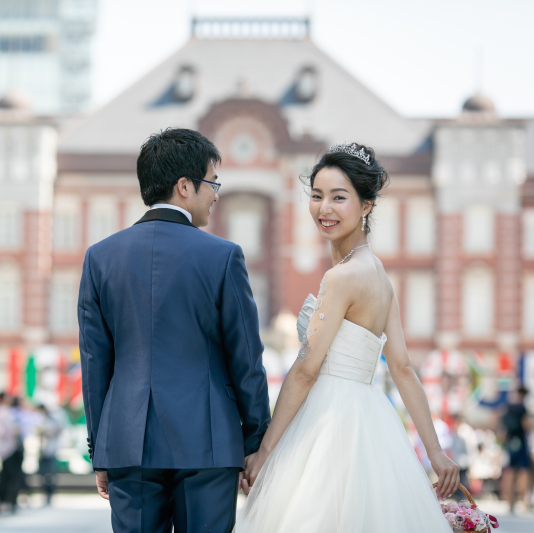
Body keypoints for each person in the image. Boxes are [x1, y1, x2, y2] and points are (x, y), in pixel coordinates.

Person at [238, 143, 459, 532]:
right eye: (317, 196)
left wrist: (265, 452)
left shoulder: (341, 277)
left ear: (366, 206)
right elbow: (403, 369)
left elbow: (307, 369)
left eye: (339, 197)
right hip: (371, 419)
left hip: (328, 422)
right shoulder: (379, 275)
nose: (324, 208)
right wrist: (435, 453)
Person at [79, 128, 270, 532]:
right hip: (209, 443)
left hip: (127, 443)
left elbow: (95, 363)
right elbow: (246, 359)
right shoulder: (223, 256)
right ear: (185, 186)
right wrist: (255, 443)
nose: (216, 194)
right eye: (212, 183)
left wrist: (101, 450)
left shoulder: (99, 258)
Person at [500, 386, 531, 513]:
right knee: (523, 472)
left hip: (511, 442)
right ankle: (524, 503)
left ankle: (510, 503)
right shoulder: (522, 408)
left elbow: (503, 428)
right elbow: (526, 424)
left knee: (510, 472)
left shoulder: (509, 407)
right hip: (521, 442)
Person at [0, 392, 21, 512]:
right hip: (7, 448)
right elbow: (2, 430)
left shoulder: (4, 411)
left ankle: (2, 500)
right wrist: (15, 430)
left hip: (8, 447)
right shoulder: (2, 412)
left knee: (6, 476)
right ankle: (0, 499)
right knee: (8, 476)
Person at [36, 405, 64, 505]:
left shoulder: (53, 420)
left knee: (50, 475)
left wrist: (47, 433)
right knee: (42, 474)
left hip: (51, 450)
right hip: (41, 451)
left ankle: (49, 495)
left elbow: (58, 430)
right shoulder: (39, 420)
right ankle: (45, 494)